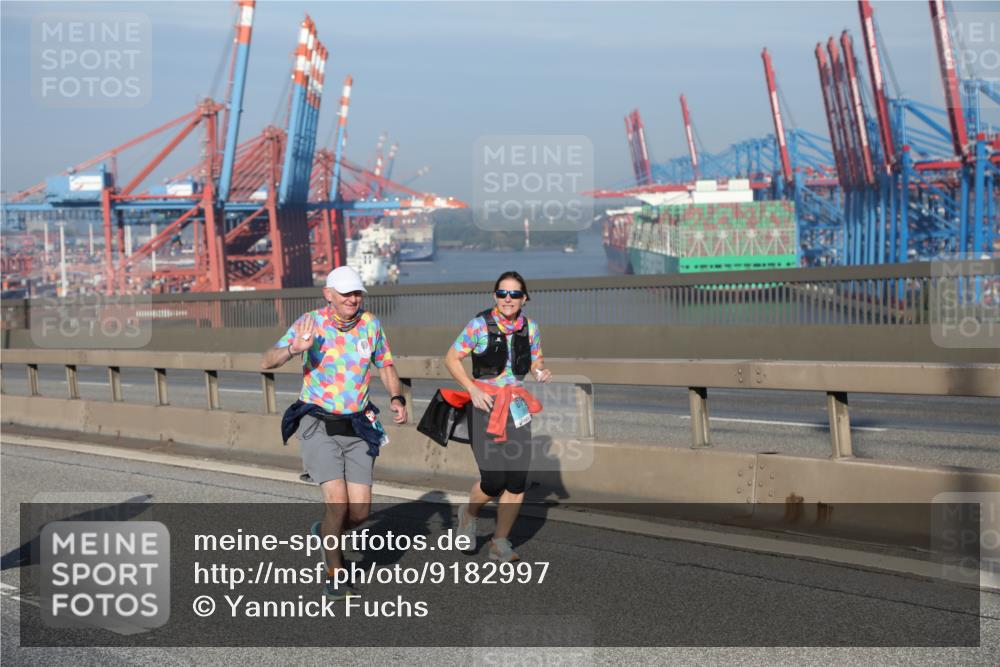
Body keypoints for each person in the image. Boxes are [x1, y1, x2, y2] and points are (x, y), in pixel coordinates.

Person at [262, 265, 407, 598]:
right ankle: (335, 573)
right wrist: (294, 349)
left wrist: (396, 396)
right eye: (346, 293)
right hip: (318, 423)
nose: (353, 299)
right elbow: (266, 360)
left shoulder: (371, 325)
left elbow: (385, 364)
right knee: (337, 505)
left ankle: (325, 531)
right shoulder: (310, 324)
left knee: (360, 512)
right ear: (328, 294)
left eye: (357, 293)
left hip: (358, 425)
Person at [443, 270, 552, 562]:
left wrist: (539, 370)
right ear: (495, 296)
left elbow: (535, 358)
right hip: (485, 406)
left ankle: (499, 542)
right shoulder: (479, 326)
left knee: (516, 481)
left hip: (517, 407)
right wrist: (471, 389)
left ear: (524, 298)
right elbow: (452, 358)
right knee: (492, 480)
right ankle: (468, 514)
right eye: (502, 293)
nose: (508, 299)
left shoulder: (530, 327)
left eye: (514, 294)